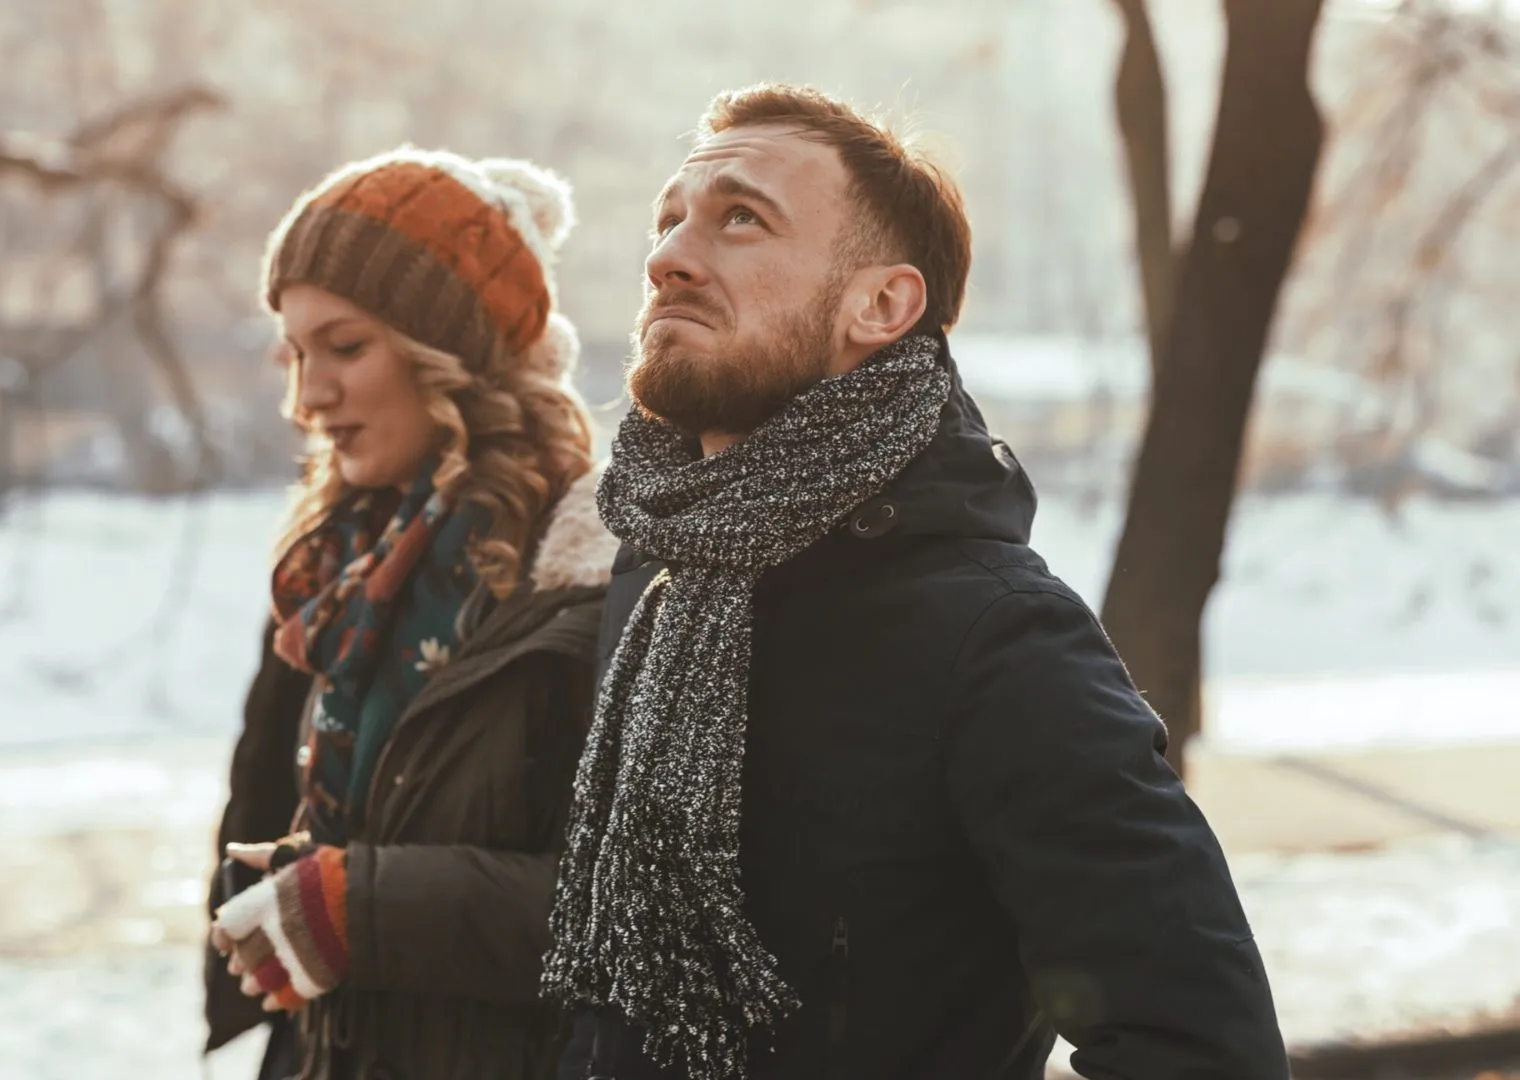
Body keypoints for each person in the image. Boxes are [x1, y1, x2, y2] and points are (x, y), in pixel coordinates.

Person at [544, 84, 1288, 1080]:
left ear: (882, 306)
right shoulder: (657, 576)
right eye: (669, 220)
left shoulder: (995, 637)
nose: (667, 257)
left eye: (740, 219)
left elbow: (1204, 1046)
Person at [202, 147, 619, 1080]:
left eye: (347, 348)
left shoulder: (592, 583)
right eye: (297, 354)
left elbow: (636, 918)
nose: (309, 398)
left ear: (454, 352)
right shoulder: (332, 572)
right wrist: (288, 887)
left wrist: (363, 905)